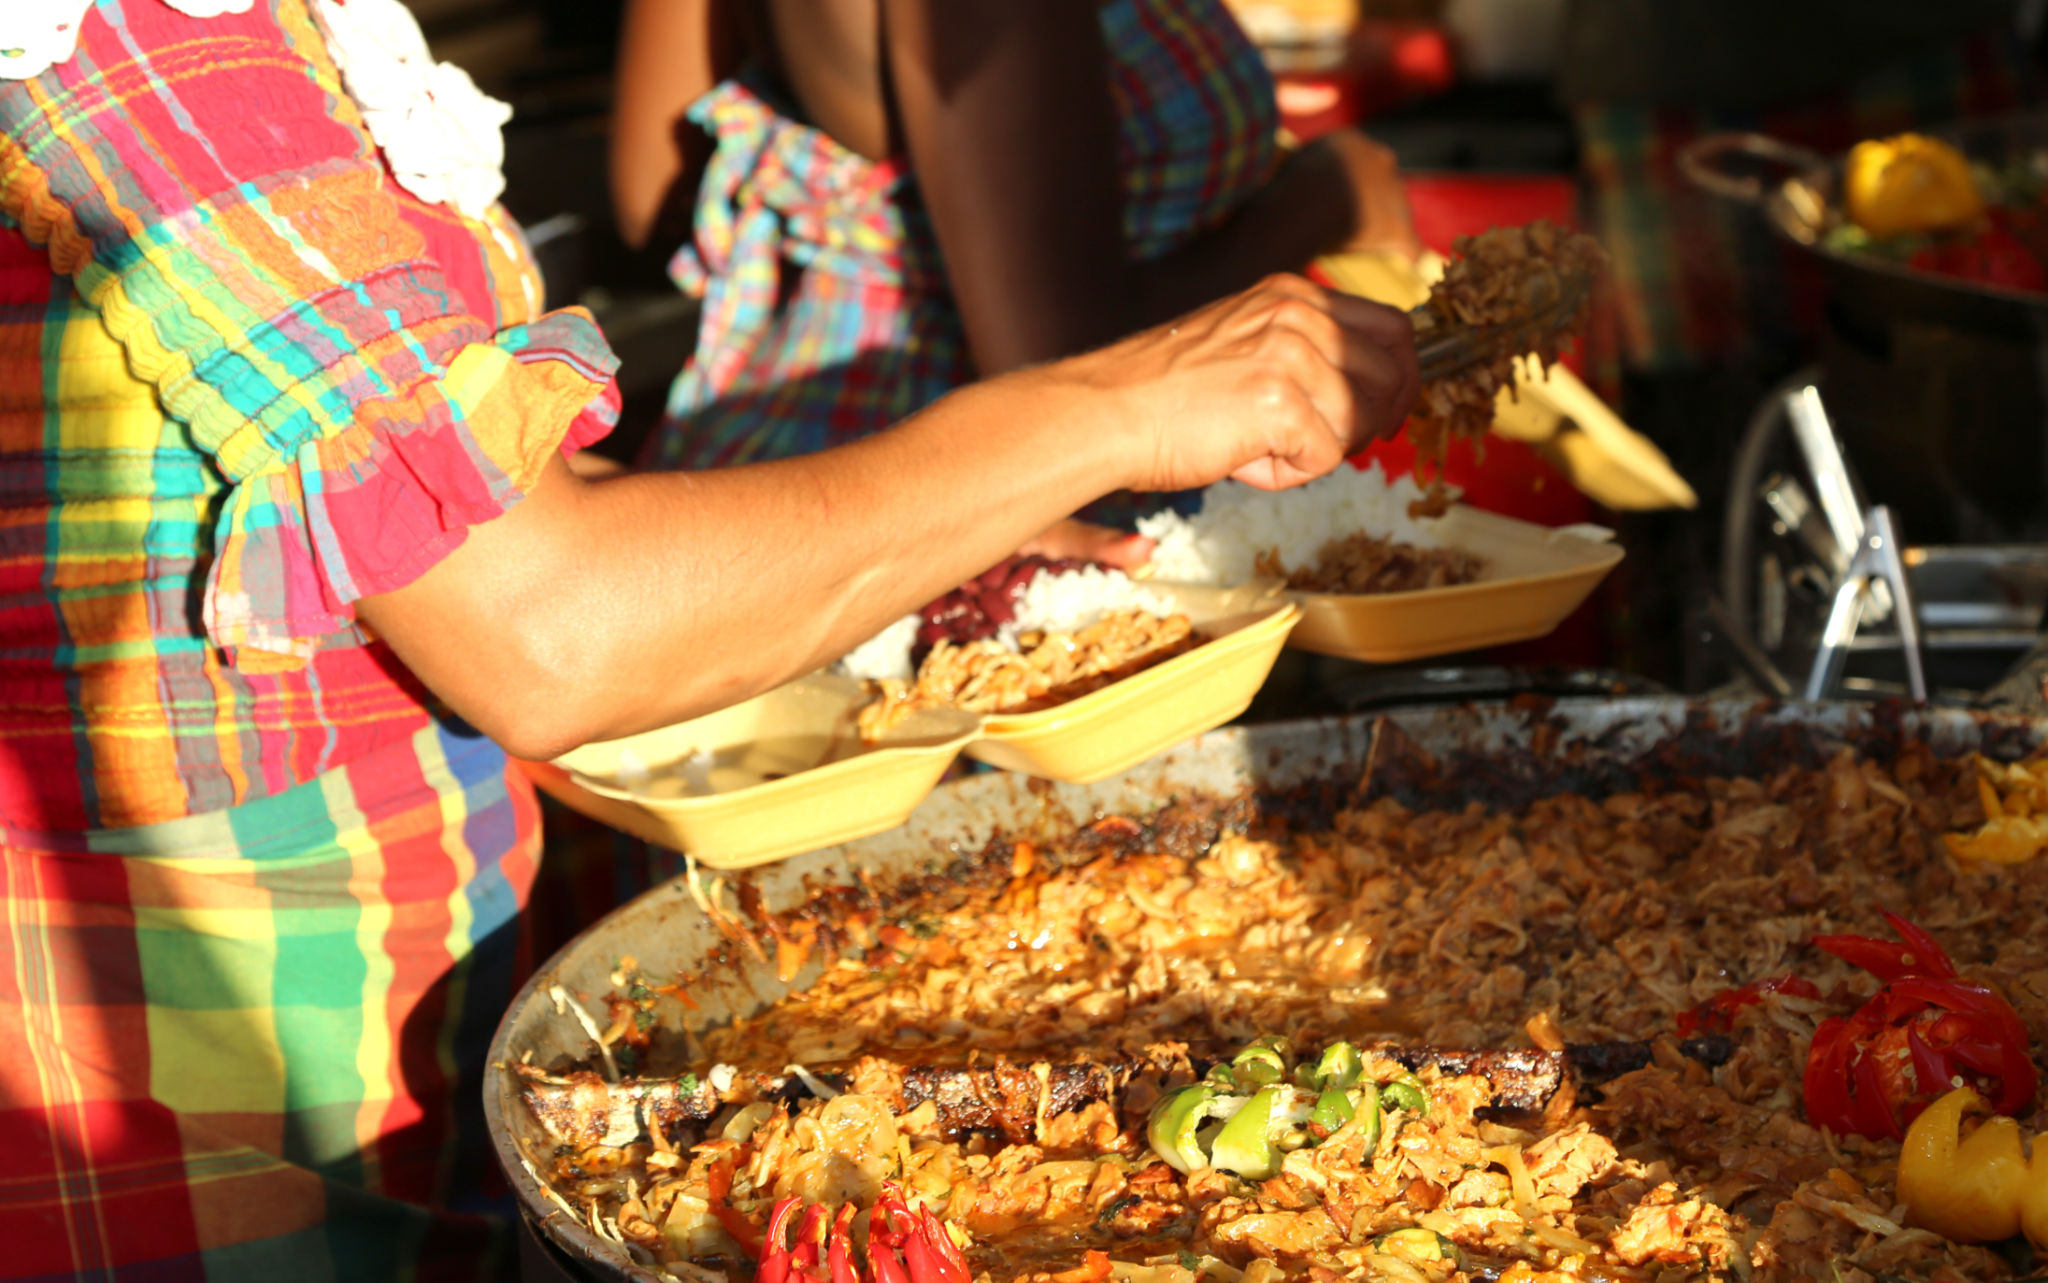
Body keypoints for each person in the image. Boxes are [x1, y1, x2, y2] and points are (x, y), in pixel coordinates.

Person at [0, 1, 1418, 1277]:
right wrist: (1116, 404)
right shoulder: (133, 44)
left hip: (378, 1002)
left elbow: (466, 518)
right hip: (204, 1082)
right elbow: (544, 626)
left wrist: (952, 529)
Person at [610, 0, 1422, 558]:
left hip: (773, 460)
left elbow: (652, 194)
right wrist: (1323, 199)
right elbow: (1072, 373)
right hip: (964, 532)